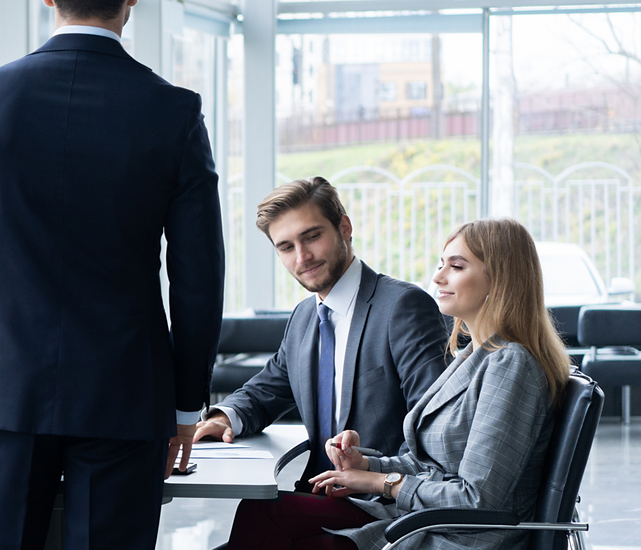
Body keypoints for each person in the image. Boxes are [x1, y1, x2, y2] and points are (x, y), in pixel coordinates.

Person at [0, 0, 225, 550]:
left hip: (8, 389)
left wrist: (4, 328)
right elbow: (198, 281)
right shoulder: (172, 113)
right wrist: (186, 406)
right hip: (127, 395)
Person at [230, 218, 571, 550]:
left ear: (500, 278)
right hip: (426, 520)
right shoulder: (475, 355)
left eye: (457, 266)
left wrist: (382, 482)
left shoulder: (511, 365)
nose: (438, 276)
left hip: (456, 536)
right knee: (262, 512)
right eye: (441, 264)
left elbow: (477, 499)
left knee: (267, 522)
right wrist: (365, 465)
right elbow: (434, 463)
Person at [196, 177, 449, 487]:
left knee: (258, 521)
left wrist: (381, 478)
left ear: (344, 227)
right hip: (318, 494)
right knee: (256, 518)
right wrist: (224, 417)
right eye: (287, 247)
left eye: (312, 236)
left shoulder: (402, 307)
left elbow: (435, 432)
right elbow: (266, 393)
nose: (302, 257)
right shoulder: (304, 317)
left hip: (380, 502)